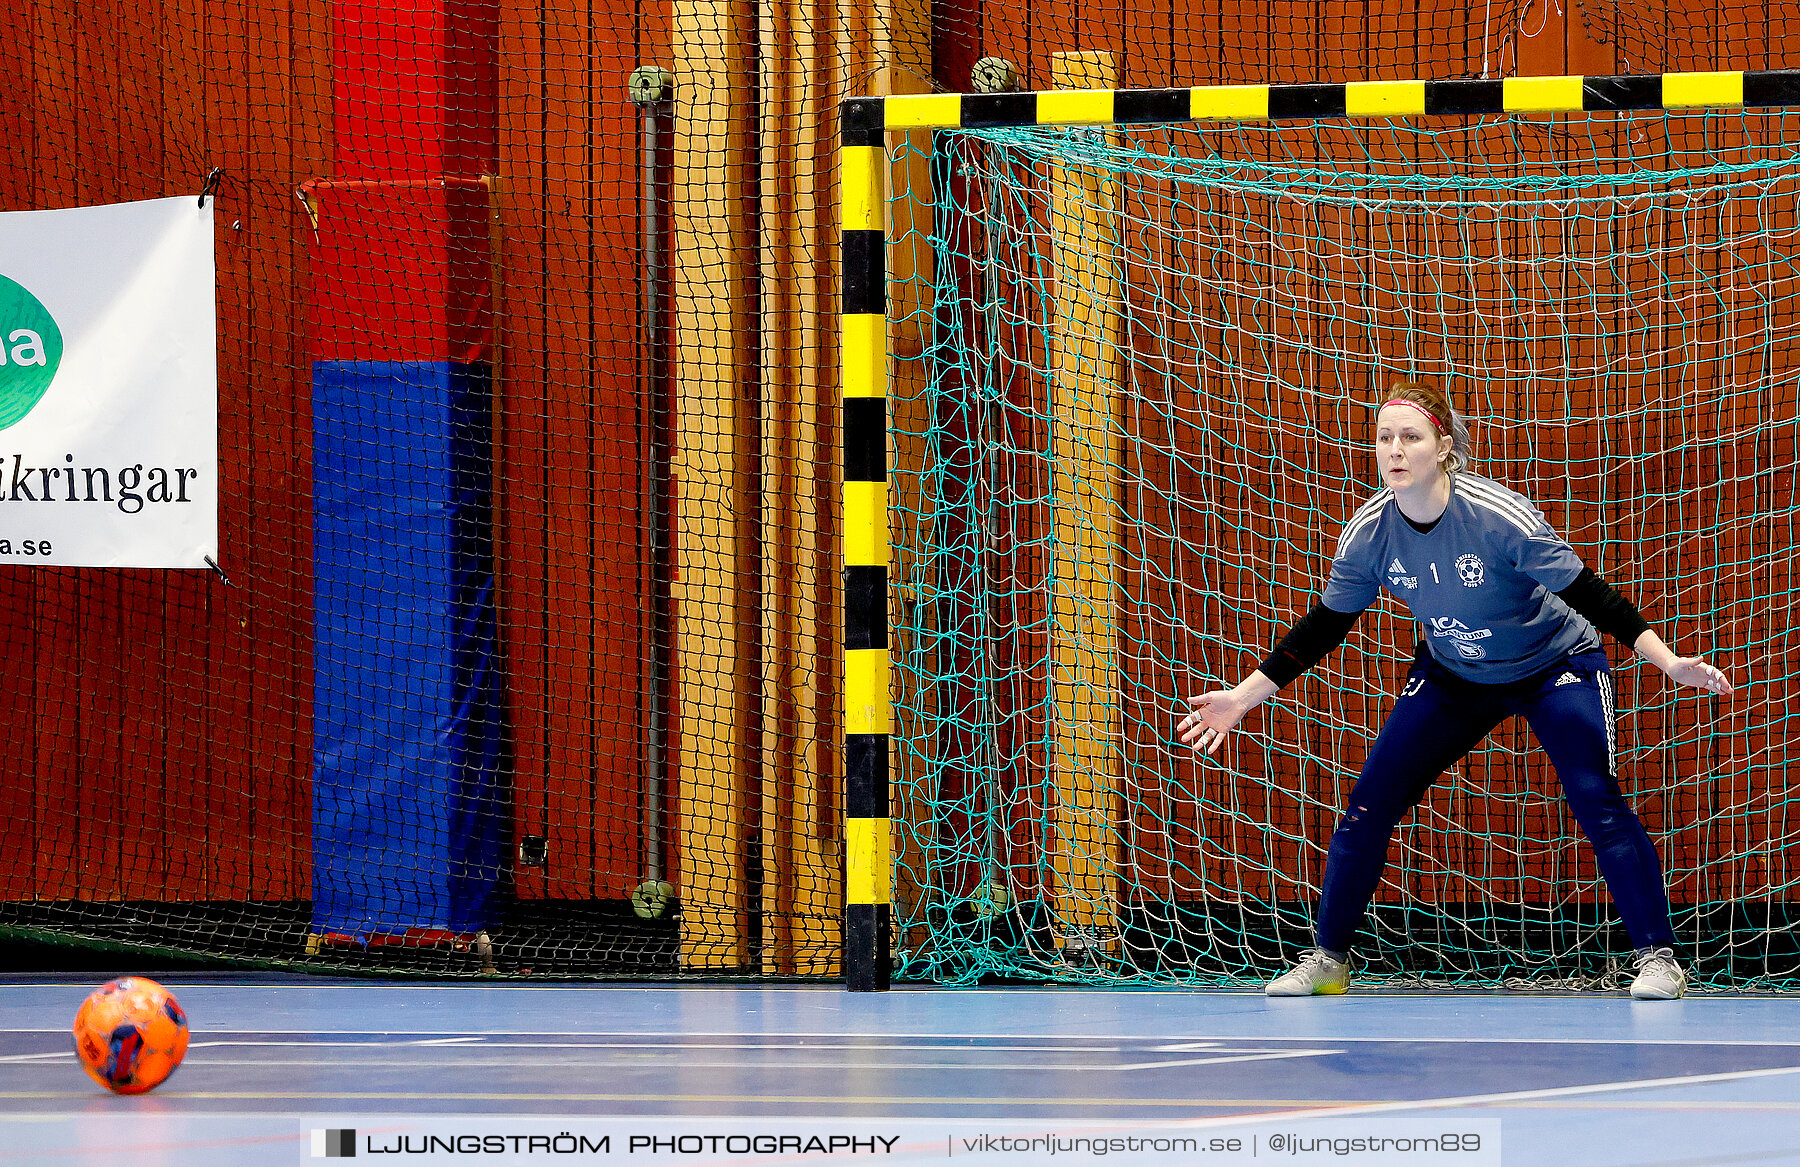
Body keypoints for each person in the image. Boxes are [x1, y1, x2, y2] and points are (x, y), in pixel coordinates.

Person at [1176, 380, 1733, 1000]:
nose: (1394, 449)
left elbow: (1594, 596)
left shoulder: (1499, 518)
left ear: (1443, 446)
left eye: (1409, 437)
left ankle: (1658, 960)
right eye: (1384, 437)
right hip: (1454, 675)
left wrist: (1668, 661)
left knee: (1597, 800)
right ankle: (1327, 961)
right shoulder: (1369, 535)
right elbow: (1322, 628)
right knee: (1367, 807)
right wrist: (1241, 698)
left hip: (1556, 665)